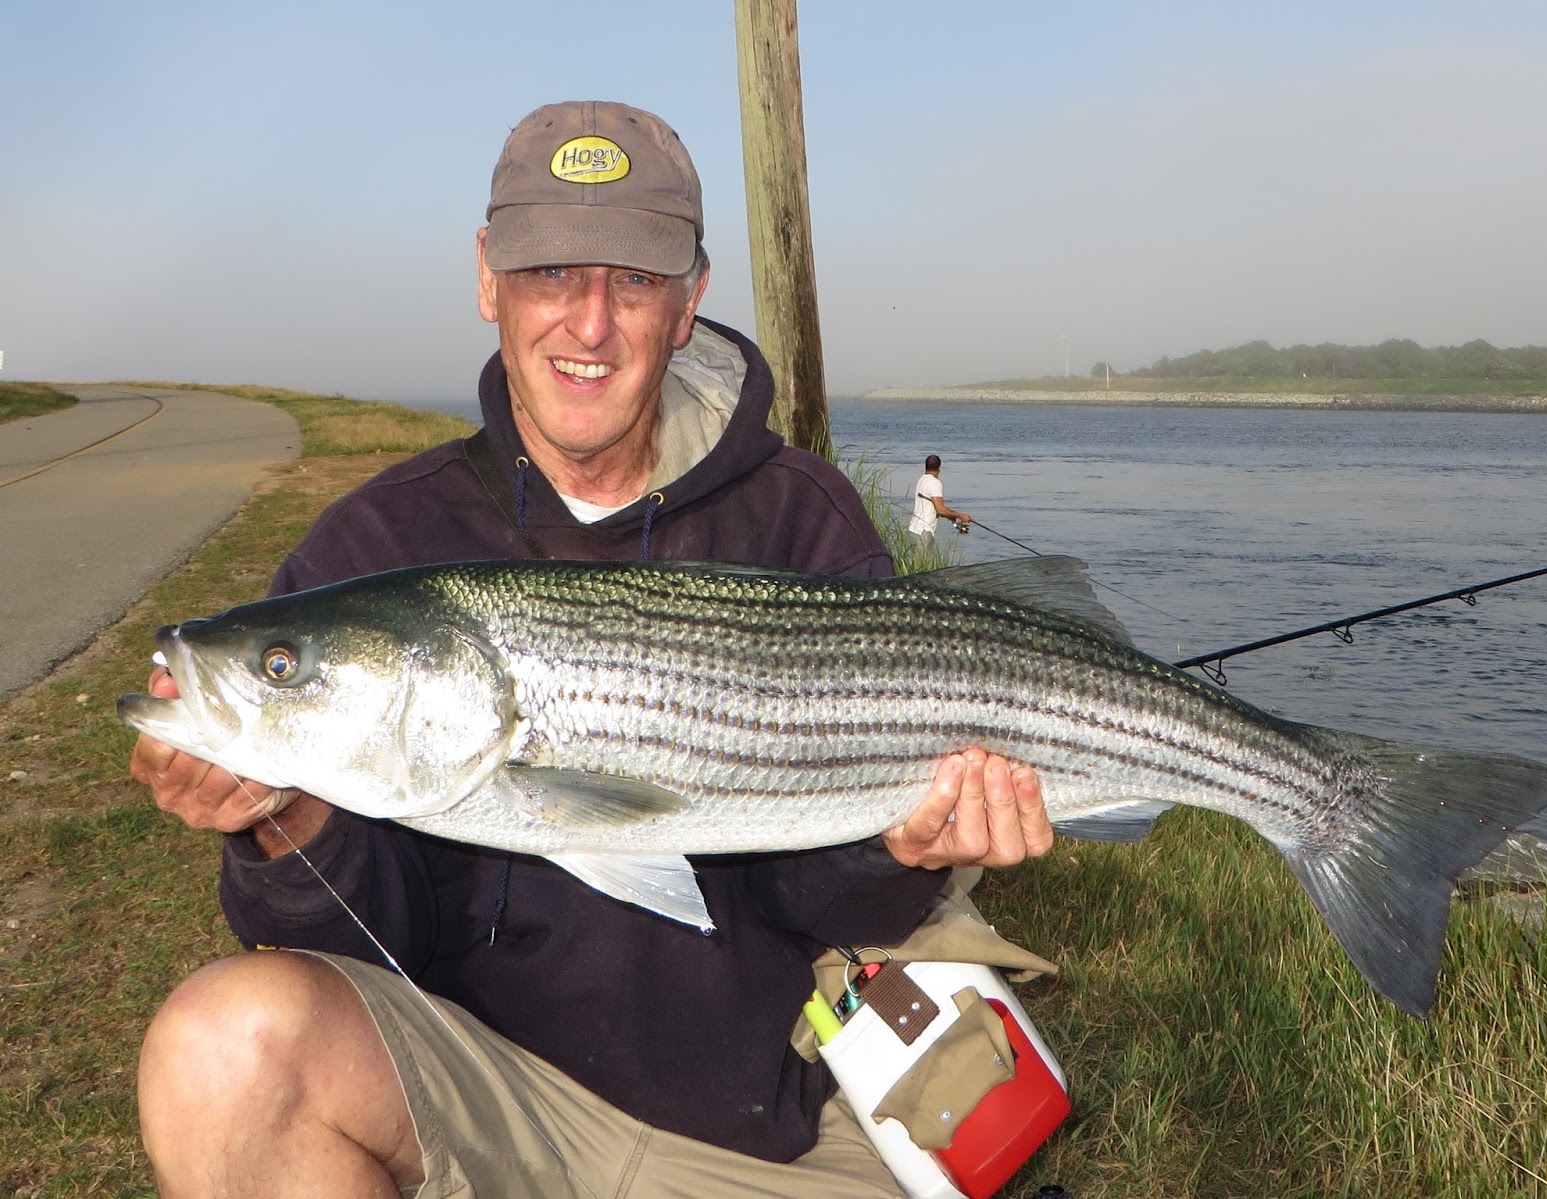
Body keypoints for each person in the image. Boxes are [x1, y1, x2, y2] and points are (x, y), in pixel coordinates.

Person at [129, 100, 1054, 1199]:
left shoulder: (801, 515)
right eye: (550, 272)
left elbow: (836, 908)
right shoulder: (372, 543)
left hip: (774, 1117)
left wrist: (904, 844)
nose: (590, 321)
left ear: (690, 299)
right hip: (489, 1101)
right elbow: (354, 952)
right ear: (488, 278)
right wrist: (285, 822)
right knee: (219, 1052)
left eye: (636, 279)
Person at [907, 453, 972, 543]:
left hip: (913, 529)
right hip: (924, 531)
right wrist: (961, 516)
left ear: (925, 467)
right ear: (939, 468)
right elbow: (940, 509)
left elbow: (935, 506)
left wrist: (950, 515)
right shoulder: (935, 482)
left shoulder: (921, 480)